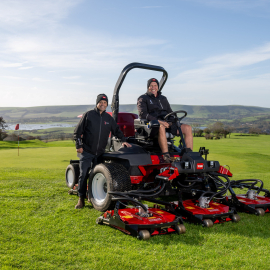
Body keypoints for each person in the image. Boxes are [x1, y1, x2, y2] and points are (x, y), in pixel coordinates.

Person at [74, 94, 131, 209]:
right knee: (83, 174)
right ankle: (81, 198)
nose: (103, 104)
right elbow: (77, 132)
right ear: (97, 103)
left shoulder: (108, 119)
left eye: (105, 103)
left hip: (100, 153)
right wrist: (78, 145)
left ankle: (91, 196)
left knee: (95, 175)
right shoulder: (88, 115)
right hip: (86, 151)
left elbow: (117, 130)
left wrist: (123, 141)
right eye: (101, 102)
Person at [137, 78, 193, 162]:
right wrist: (159, 121)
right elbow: (143, 114)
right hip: (151, 125)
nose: (153, 87)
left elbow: (170, 112)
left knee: (187, 128)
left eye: (155, 85)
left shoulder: (163, 99)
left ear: (158, 87)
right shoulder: (143, 98)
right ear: (148, 87)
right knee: (161, 126)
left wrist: (171, 122)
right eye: (151, 85)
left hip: (166, 123)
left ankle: (189, 155)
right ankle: (166, 155)